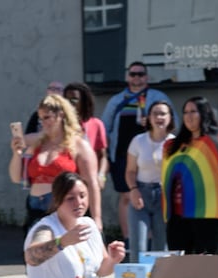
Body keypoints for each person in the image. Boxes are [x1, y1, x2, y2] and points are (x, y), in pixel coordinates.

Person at [101, 61, 172, 242]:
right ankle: (129, 238)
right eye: (133, 74)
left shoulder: (158, 97)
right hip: (122, 156)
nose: (136, 78)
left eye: (140, 74)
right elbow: (104, 129)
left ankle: (148, 238)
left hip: (150, 155)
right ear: (127, 77)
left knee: (153, 198)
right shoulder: (117, 101)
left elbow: (173, 124)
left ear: (146, 77)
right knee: (127, 196)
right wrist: (104, 157)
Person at [162, 97, 218, 254]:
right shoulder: (174, 144)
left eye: (193, 111)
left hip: (209, 211)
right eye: (185, 112)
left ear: (204, 113)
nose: (188, 116)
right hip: (177, 213)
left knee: (205, 260)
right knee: (178, 260)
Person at [9, 94, 101, 232]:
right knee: (36, 251)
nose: (43, 123)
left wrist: (97, 219)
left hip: (64, 209)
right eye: (40, 119)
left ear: (61, 115)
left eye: (47, 117)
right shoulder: (37, 144)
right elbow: (16, 178)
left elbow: (92, 183)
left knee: (63, 251)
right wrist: (16, 154)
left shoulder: (78, 145)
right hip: (35, 209)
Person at [123, 99, 173, 258]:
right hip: (141, 193)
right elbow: (130, 171)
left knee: (161, 247)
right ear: (149, 118)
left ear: (170, 117)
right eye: (155, 113)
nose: (159, 117)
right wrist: (133, 190)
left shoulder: (174, 142)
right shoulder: (138, 141)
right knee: (138, 246)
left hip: (164, 195)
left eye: (163, 113)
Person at [63, 82, 108, 188]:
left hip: (88, 182)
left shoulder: (96, 124)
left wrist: (101, 176)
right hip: (65, 181)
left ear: (83, 101)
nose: (69, 103)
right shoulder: (60, 125)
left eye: (74, 99)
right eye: (66, 100)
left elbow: (102, 156)